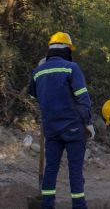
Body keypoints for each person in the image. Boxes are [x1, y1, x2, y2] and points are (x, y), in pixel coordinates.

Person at [28, 32, 93, 209]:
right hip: (73, 128)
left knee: (51, 169)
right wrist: (88, 123)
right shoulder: (72, 68)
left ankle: (47, 205)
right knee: (75, 170)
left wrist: (40, 71)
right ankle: (79, 206)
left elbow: (34, 93)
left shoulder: (38, 71)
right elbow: (83, 99)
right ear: (67, 49)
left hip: (51, 129)